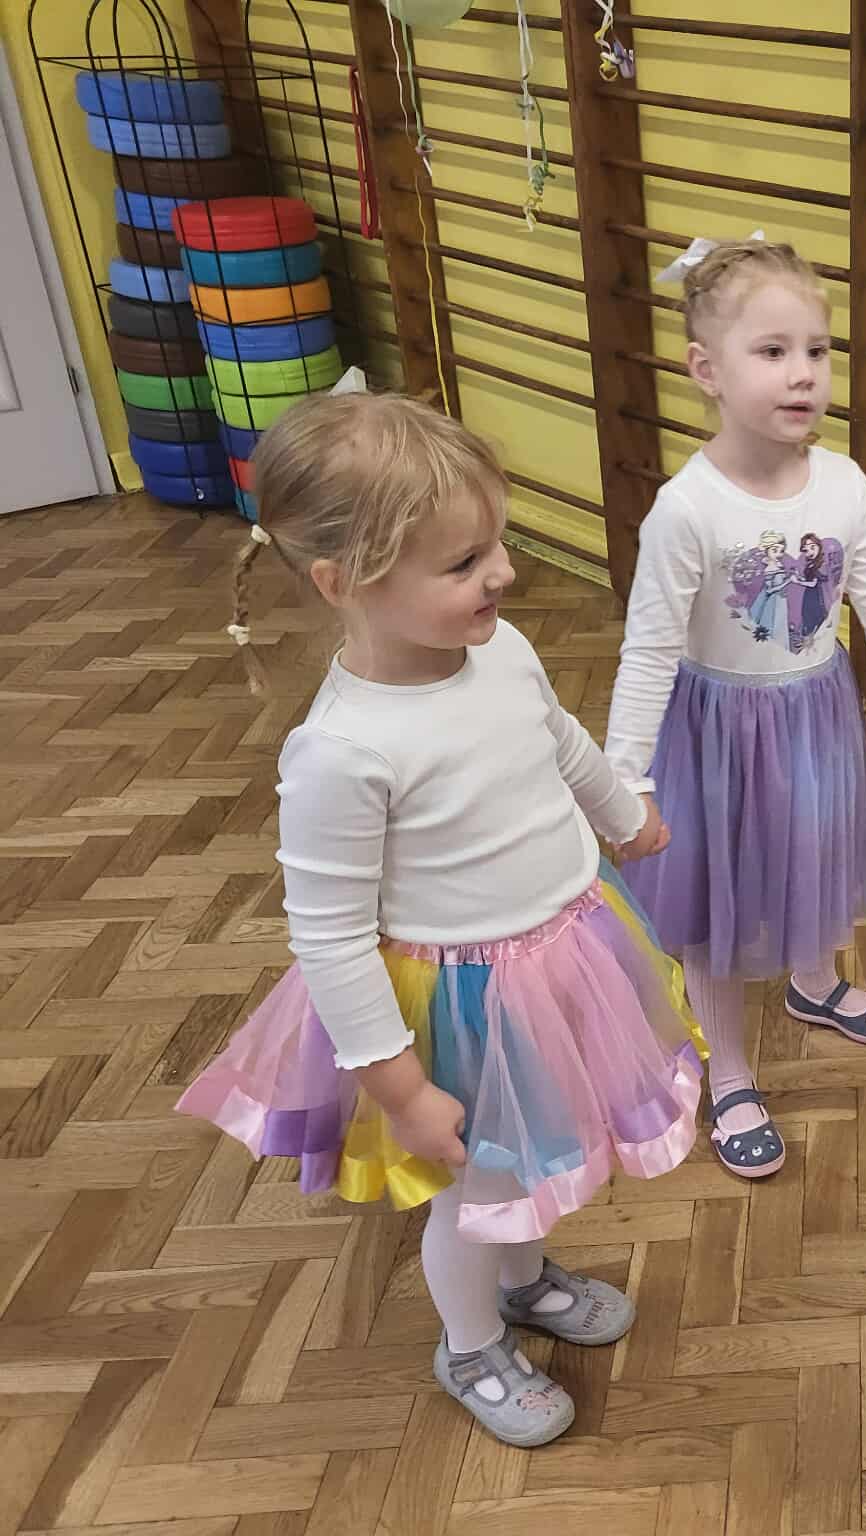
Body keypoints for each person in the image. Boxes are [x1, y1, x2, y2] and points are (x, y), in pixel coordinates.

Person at [177, 393, 704, 1448]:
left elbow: (558, 739)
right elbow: (328, 939)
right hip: (460, 1006)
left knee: (532, 1158)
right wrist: (403, 1090)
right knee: (478, 1184)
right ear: (343, 584)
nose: (502, 572)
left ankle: (522, 1279)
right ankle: (471, 1343)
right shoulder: (343, 752)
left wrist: (620, 815)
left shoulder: (501, 650)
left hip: (567, 954)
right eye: (465, 562)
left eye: (495, 543)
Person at [607, 235, 866, 1178]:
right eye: (773, 351)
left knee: (814, 858)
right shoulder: (686, 510)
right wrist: (623, 781)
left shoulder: (845, 485)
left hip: (815, 717)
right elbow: (648, 652)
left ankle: (814, 983)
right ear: (705, 369)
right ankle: (731, 1071)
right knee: (718, 902)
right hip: (716, 736)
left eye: (818, 351)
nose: (803, 374)